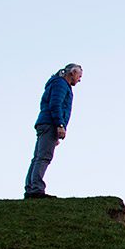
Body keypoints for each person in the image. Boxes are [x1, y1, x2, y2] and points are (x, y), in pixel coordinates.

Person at [23, 63, 82, 199]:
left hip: (45, 123)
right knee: (44, 157)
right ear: (72, 73)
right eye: (79, 76)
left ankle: (31, 188)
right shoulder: (61, 84)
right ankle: (36, 189)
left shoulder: (56, 83)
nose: (79, 80)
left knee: (38, 157)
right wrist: (60, 124)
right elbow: (56, 104)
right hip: (50, 123)